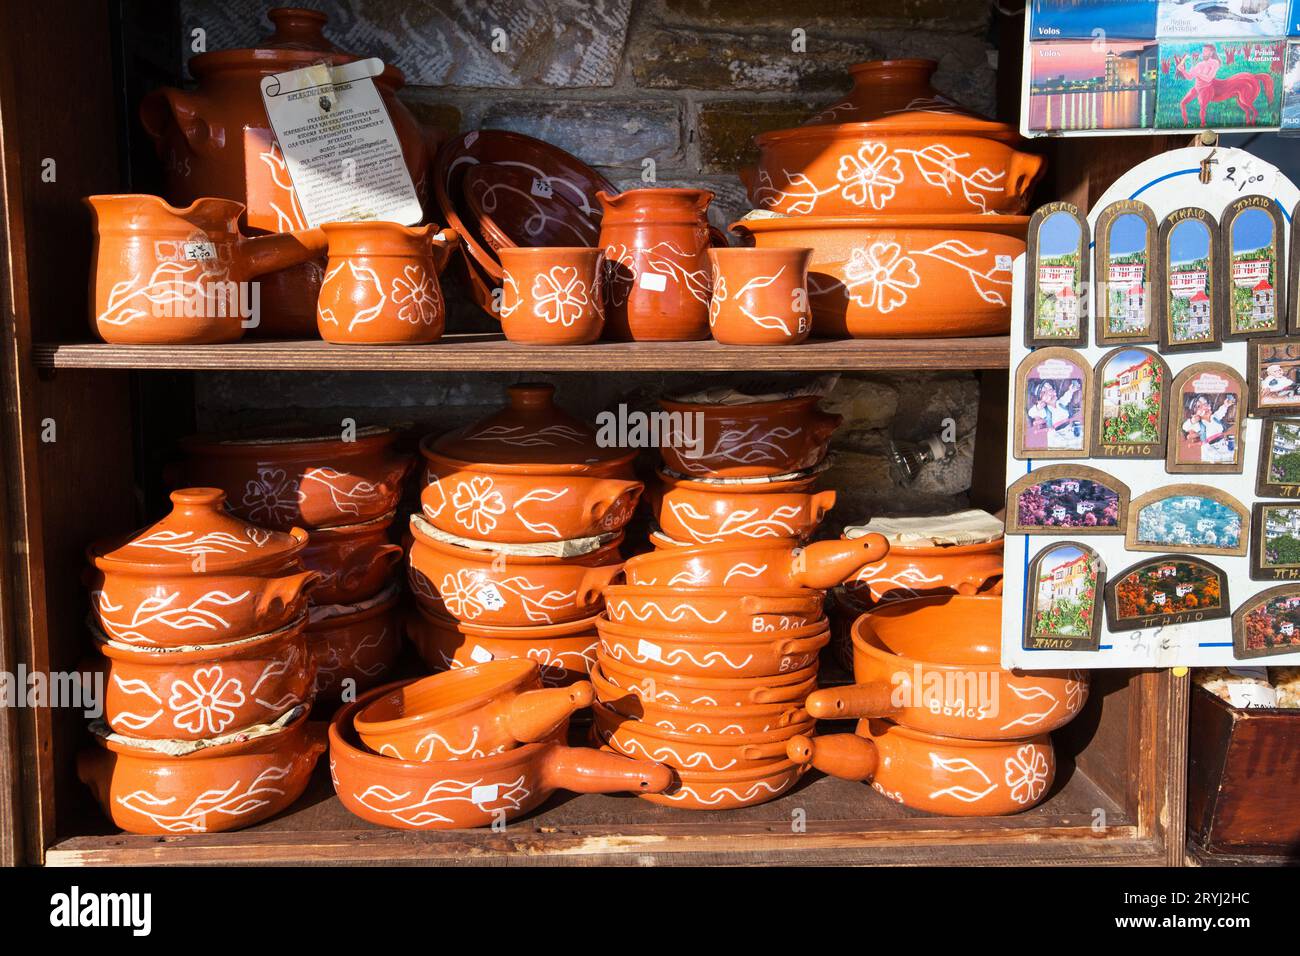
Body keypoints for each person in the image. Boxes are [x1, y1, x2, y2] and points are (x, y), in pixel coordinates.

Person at [1026, 380, 1081, 449]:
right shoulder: (1044, 410)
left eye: (1051, 389)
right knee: (1062, 445)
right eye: (1044, 392)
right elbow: (1031, 413)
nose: (1049, 393)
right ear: (1040, 400)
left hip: (1068, 429)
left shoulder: (1060, 403)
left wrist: (1071, 390)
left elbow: (1067, 397)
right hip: (1056, 434)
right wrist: (1038, 407)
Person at [1182, 393, 1235, 462]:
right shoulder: (1198, 425)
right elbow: (1185, 427)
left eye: (1206, 403)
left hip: (1222, 444)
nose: (1204, 407)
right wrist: (1192, 421)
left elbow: (1221, 411)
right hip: (1210, 449)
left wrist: (1226, 405)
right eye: (1198, 406)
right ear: (1194, 413)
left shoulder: (1215, 417)